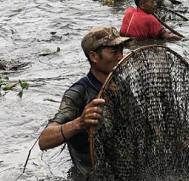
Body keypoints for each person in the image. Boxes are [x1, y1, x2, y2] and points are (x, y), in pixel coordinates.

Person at [38, 26, 129, 173]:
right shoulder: (78, 93)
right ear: (94, 56)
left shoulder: (121, 84)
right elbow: (44, 140)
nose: (120, 57)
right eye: (114, 52)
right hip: (91, 173)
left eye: (121, 51)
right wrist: (79, 123)